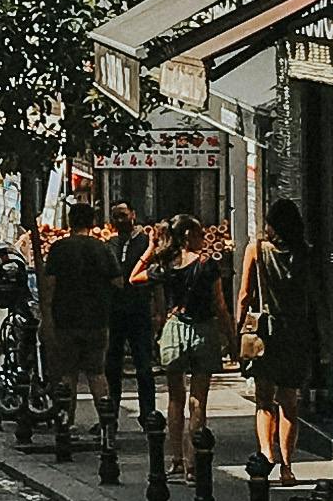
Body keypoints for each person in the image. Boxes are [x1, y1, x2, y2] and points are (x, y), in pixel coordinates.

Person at [238, 195, 325, 484]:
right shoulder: (306, 252)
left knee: (264, 400)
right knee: (289, 400)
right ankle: (288, 465)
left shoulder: (257, 250)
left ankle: (266, 453)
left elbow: (244, 296)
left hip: (265, 332)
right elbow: (314, 296)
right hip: (296, 331)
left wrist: (237, 331)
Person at [35, 182, 118, 444]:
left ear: (70, 222)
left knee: (67, 375)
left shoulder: (60, 249)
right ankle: (106, 424)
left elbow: (49, 286)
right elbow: (118, 282)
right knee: (97, 373)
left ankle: (65, 424)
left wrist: (46, 317)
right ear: (92, 222)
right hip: (96, 320)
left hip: (66, 319)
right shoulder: (102, 249)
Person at [155, 215, 229, 468]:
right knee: (198, 400)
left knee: (175, 399)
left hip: (175, 330)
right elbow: (220, 305)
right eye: (199, 234)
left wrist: (151, 248)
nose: (203, 238)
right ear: (188, 235)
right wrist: (231, 336)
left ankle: (174, 458)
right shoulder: (208, 265)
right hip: (202, 330)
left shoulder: (167, 264)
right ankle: (192, 462)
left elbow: (135, 277)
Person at [105, 202, 154, 434]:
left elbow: (155, 277)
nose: (120, 220)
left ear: (133, 215)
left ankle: (148, 415)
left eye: (124, 215)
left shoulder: (144, 242)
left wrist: (159, 310)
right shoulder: (111, 243)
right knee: (112, 365)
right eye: (116, 216)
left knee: (143, 365)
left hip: (140, 309)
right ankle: (110, 415)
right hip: (114, 311)